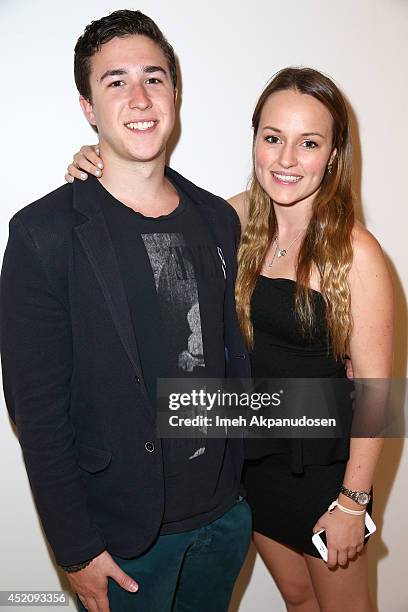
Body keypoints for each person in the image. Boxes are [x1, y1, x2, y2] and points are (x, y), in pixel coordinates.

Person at [67, 66, 393, 611]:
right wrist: (99, 164)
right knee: (296, 598)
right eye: (273, 139)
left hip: (326, 474)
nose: (286, 160)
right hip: (251, 462)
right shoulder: (230, 218)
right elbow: (149, 209)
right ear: (256, 140)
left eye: (308, 143)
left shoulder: (356, 253)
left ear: (333, 154)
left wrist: (353, 503)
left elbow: (378, 392)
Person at [0, 10, 252, 612]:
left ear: (176, 91)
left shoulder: (219, 219)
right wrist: (77, 550)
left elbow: (233, 357)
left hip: (225, 519)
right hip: (123, 541)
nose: (140, 97)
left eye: (154, 77)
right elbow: (36, 412)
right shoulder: (45, 232)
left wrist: (350, 397)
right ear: (88, 106)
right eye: (115, 81)